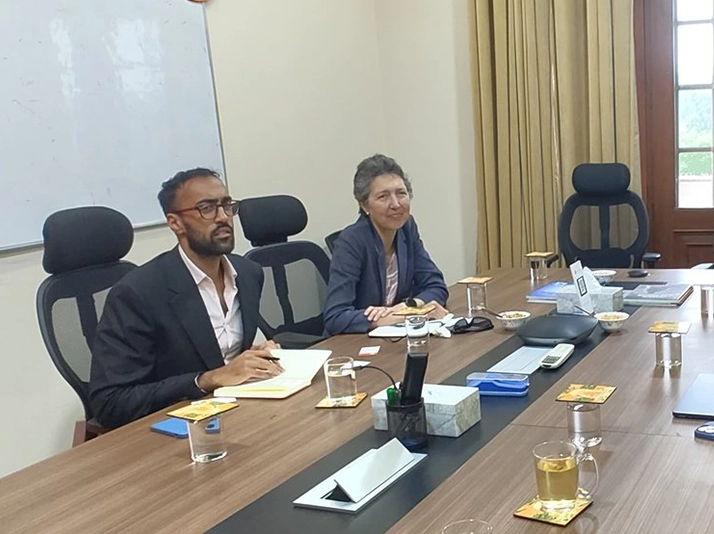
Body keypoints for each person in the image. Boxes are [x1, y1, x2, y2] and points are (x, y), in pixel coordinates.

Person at [89, 168, 283, 429]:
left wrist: (254, 356)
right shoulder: (137, 293)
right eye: (206, 208)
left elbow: (221, 355)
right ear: (175, 223)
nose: (223, 217)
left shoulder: (248, 273)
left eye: (227, 205)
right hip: (175, 427)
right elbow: (110, 402)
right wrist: (207, 379)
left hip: (238, 413)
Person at [323, 154, 449, 334]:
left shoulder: (407, 228)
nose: (396, 204)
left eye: (401, 193)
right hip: (353, 342)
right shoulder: (351, 242)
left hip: (396, 338)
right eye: (383, 196)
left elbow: (436, 286)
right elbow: (335, 317)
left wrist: (409, 307)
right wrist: (399, 317)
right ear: (365, 206)